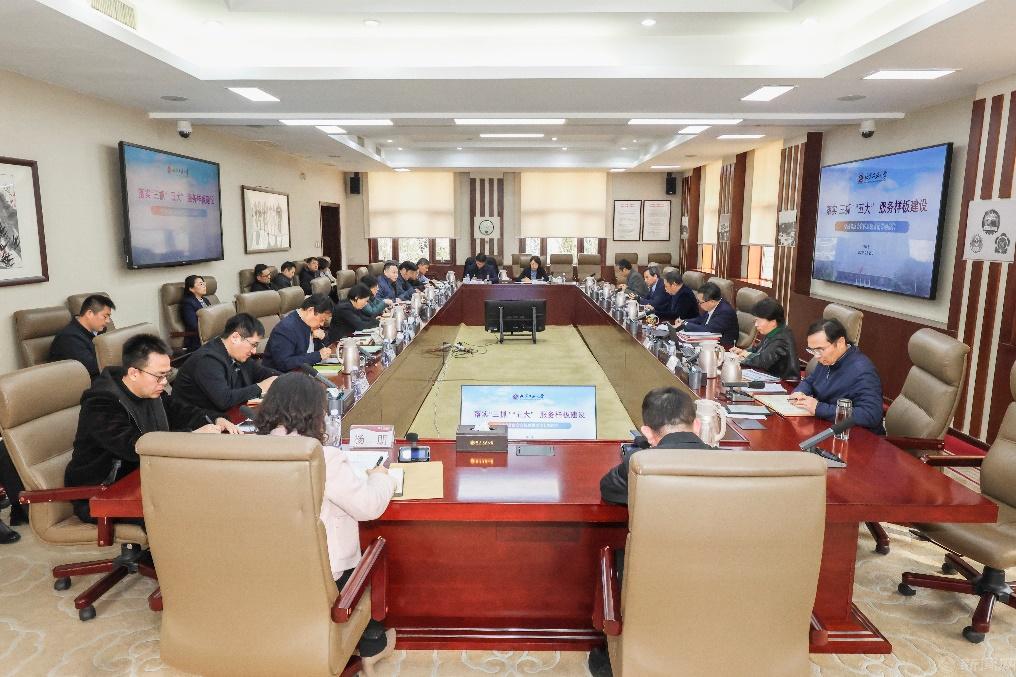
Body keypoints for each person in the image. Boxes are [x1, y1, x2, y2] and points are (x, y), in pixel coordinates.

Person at [253, 373, 396, 673]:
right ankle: (372, 642)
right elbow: (369, 506)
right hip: (322, 576)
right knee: (374, 555)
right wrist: (382, 478)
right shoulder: (322, 457)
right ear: (315, 412)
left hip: (263, 569)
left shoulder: (248, 451)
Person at [64, 334, 238, 526]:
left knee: (216, 489)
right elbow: (133, 445)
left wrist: (216, 418)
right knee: (189, 511)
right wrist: (191, 436)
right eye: (159, 376)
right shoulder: (101, 403)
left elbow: (180, 411)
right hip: (104, 492)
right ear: (134, 373)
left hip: (146, 478)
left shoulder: (151, 391)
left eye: (167, 375)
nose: (164, 382)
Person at [599, 387, 712, 506]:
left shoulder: (637, 462)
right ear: (697, 426)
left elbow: (608, 489)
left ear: (647, 433)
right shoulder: (725, 460)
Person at [172, 313, 280, 418]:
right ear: (235, 337)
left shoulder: (237, 354)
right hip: (198, 422)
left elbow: (261, 372)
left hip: (226, 415)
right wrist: (261, 386)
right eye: (253, 344)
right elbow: (225, 400)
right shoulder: (207, 360)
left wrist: (286, 379)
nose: (254, 351)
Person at [789, 318, 885, 433]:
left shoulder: (862, 371)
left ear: (840, 343)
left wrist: (819, 408)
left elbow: (870, 414)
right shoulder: (828, 359)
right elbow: (810, 381)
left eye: (820, 350)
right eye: (812, 350)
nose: (816, 356)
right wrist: (800, 392)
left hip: (857, 436)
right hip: (829, 426)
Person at [49, 294, 115, 380]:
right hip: (76, 382)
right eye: (105, 316)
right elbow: (92, 368)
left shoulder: (99, 330)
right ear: (90, 314)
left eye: (109, 317)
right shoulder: (69, 338)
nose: (108, 321)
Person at [730, 298, 799, 380]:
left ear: (773, 322)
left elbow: (762, 361)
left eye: (758, 321)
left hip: (783, 382)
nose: (756, 325)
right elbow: (758, 349)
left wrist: (746, 355)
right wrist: (743, 351)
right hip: (768, 375)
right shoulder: (774, 330)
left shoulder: (782, 338)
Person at [263, 294, 334, 371]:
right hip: (281, 375)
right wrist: (317, 356)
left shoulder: (309, 323)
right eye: (322, 319)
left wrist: (323, 338)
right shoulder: (286, 328)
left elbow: (323, 349)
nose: (322, 324)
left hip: (305, 371)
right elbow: (284, 363)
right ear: (310, 310)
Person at [676, 281, 739, 348]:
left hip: (723, 347)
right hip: (709, 340)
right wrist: (683, 321)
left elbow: (707, 330)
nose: (699, 304)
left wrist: (685, 324)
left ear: (712, 301)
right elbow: (701, 319)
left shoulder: (725, 312)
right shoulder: (715, 304)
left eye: (700, 302)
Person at [180, 275, 212, 352]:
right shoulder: (187, 303)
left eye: (204, 283)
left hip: (211, 334)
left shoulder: (205, 300)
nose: (204, 286)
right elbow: (194, 325)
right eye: (200, 284)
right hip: (197, 339)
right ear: (191, 289)